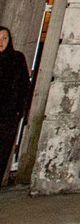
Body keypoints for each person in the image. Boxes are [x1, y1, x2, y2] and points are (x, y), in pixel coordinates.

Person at [0, 27, 30, 186]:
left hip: (8, 116)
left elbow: (24, 85)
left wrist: (20, 110)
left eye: (4, 38)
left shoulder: (17, 58)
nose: (1, 42)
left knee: (2, 152)